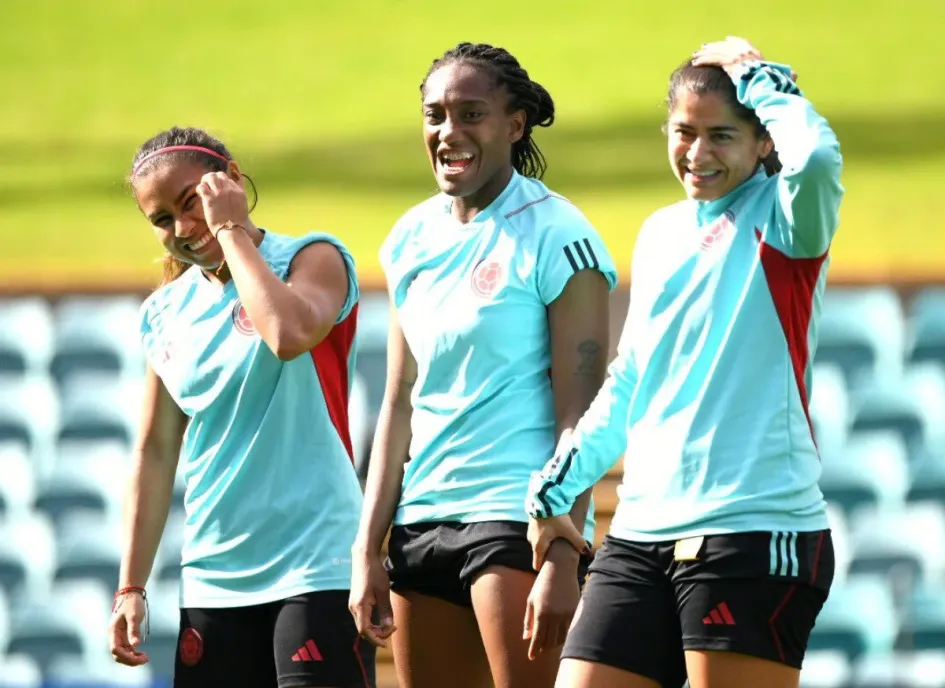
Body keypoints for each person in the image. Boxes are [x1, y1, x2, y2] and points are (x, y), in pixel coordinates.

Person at [525, 36, 843, 688]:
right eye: (683, 132)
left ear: (761, 143)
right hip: (640, 534)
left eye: (721, 136)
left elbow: (814, 157)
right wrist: (552, 490)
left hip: (752, 533)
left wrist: (757, 76)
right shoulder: (660, 232)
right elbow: (631, 381)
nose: (696, 155)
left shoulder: (788, 220)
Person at [347, 42, 618, 688]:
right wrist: (367, 549)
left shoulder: (558, 235)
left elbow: (580, 413)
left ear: (514, 124)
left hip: (515, 521)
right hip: (421, 523)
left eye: (471, 114)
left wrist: (561, 548)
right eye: (434, 115)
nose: (448, 132)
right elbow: (398, 401)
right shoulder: (409, 238)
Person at [108, 126, 376, 688]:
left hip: (317, 565)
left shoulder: (313, 256)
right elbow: (156, 451)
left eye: (192, 202)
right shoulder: (163, 313)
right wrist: (131, 586)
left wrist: (230, 229)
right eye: (162, 221)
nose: (183, 228)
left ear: (230, 178)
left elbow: (288, 333)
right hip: (213, 579)